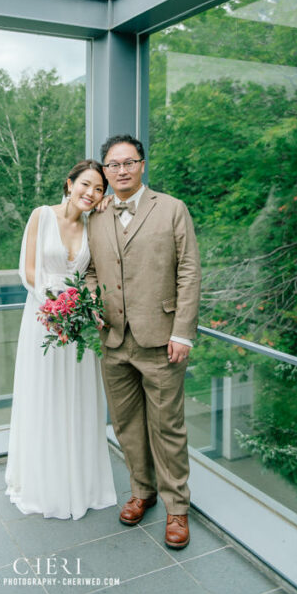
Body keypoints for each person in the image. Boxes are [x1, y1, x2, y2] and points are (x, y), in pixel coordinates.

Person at [85, 134, 201, 549]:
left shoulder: (171, 209)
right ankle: (142, 492)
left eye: (128, 162)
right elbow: (91, 271)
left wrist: (183, 331)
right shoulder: (95, 216)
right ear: (105, 170)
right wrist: (94, 302)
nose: (121, 170)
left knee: (167, 426)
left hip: (162, 339)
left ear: (142, 165)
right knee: (126, 424)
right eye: (112, 165)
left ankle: (177, 509)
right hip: (114, 340)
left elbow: (189, 272)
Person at [4, 160, 117, 520]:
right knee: (45, 396)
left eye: (99, 189)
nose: (91, 193)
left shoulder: (92, 224)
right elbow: (28, 269)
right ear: (69, 184)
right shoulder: (42, 215)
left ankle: (79, 483)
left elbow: (91, 274)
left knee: (77, 399)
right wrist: (55, 305)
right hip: (43, 318)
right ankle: (44, 484)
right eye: (86, 184)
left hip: (77, 326)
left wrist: (81, 307)